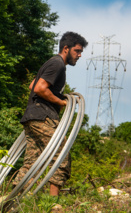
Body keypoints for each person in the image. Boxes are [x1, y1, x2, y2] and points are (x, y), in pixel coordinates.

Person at [13, 31, 88, 196]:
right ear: (66, 48)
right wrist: (61, 102)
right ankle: (52, 204)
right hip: (43, 117)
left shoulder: (52, 63)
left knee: (31, 164)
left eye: (81, 52)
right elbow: (39, 88)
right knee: (61, 155)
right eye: (77, 51)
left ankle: (11, 201)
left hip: (33, 118)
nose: (80, 55)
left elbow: (32, 84)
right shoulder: (58, 64)